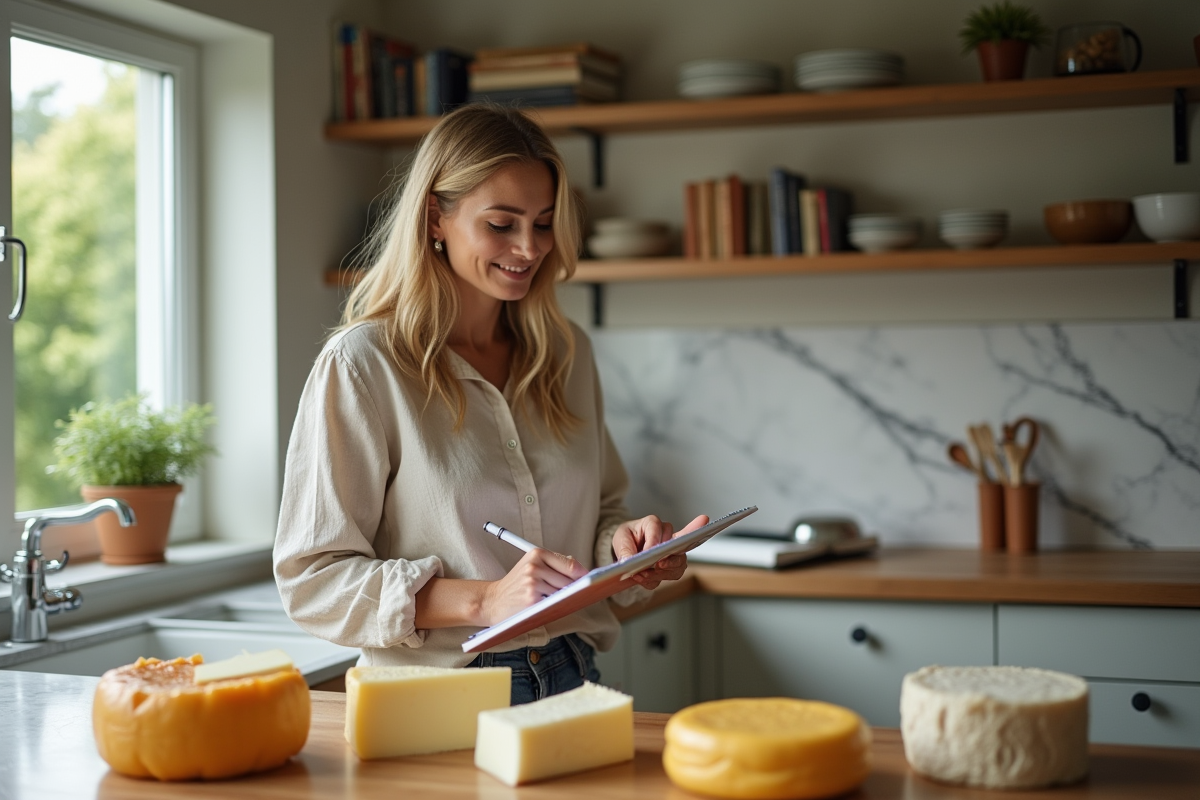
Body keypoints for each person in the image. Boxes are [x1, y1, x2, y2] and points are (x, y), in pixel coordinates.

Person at [273, 104, 706, 705]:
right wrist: (485, 599)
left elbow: (601, 510)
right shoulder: (364, 364)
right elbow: (311, 581)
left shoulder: (567, 353)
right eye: (501, 224)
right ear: (435, 218)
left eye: (545, 222)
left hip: (574, 676)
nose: (529, 248)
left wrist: (624, 548)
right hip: (439, 698)